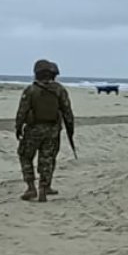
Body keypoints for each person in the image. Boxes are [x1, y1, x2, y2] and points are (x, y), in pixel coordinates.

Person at [15, 59, 75, 203]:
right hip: (53, 130)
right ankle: (44, 187)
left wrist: (18, 127)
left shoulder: (30, 90)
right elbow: (67, 112)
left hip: (33, 130)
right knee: (47, 159)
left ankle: (31, 187)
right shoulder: (59, 90)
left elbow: (22, 111)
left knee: (25, 156)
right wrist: (70, 130)